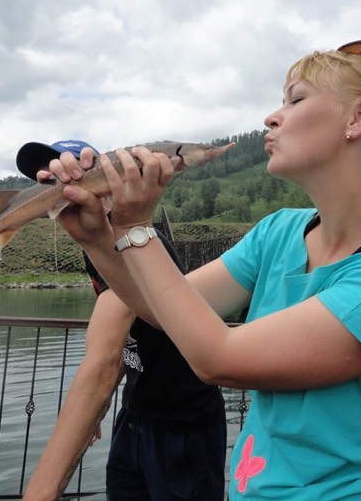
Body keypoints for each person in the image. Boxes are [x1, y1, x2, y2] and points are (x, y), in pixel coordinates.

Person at [45, 39, 361, 499]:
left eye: (296, 100)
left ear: (358, 118)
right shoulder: (279, 232)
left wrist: (136, 227)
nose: (271, 117)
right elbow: (157, 310)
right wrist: (99, 238)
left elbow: (219, 358)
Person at [16, 140, 226, 501]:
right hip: (136, 413)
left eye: (73, 176)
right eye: (50, 180)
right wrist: (95, 411)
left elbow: (104, 360)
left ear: (106, 182)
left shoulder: (139, 245)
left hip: (183, 425)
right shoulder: (95, 243)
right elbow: (119, 338)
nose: (62, 187)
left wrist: (41, 491)